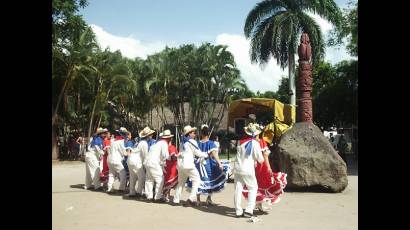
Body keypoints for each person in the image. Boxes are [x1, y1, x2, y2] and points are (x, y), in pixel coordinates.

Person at [242, 128, 287, 213]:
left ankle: (258, 204)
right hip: (261, 166)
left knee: (255, 185)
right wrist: (269, 167)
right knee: (263, 185)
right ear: (258, 133)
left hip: (252, 166)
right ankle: (259, 204)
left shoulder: (248, 142)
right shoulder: (261, 142)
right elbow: (265, 156)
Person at [188, 124, 227, 206]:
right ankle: (208, 199)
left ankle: (198, 200)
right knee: (210, 180)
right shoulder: (211, 143)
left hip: (198, 164)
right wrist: (219, 163)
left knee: (198, 180)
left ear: (201, 133)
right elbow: (215, 154)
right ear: (208, 133)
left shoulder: (197, 143)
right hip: (208, 164)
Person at [233, 123, 264, 218]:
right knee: (253, 188)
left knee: (238, 189)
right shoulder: (255, 143)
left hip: (238, 168)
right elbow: (260, 159)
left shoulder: (240, 142)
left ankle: (238, 211)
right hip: (248, 169)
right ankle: (249, 210)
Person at [173, 125, 209, 207]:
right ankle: (191, 199)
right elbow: (197, 152)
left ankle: (176, 199)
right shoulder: (192, 141)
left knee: (181, 182)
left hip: (180, 164)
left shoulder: (182, 142)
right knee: (197, 180)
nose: (195, 134)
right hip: (188, 164)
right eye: (193, 133)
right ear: (189, 134)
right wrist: (206, 155)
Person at [143, 129, 173, 202]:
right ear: (168, 138)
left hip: (147, 162)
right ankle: (157, 197)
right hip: (154, 162)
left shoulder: (156, 143)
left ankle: (149, 196)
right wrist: (172, 157)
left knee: (149, 179)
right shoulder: (164, 143)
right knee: (160, 179)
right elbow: (165, 155)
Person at [127, 127, 155, 198]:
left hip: (130, 159)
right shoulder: (144, 143)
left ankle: (132, 192)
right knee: (142, 177)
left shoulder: (138, 142)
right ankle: (139, 192)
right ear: (148, 136)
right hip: (136, 160)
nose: (151, 136)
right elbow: (145, 155)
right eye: (151, 135)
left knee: (132, 176)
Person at [106, 127, 129, 193]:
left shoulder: (113, 140)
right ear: (123, 134)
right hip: (116, 160)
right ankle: (121, 189)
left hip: (109, 159)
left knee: (111, 174)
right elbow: (123, 152)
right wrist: (129, 153)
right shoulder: (120, 141)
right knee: (123, 173)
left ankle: (110, 188)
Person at [162, 136, 179, 202]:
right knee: (171, 182)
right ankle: (167, 195)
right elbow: (173, 157)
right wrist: (179, 157)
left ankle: (166, 195)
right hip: (172, 167)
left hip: (166, 167)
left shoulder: (164, 147)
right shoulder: (172, 147)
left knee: (167, 182)